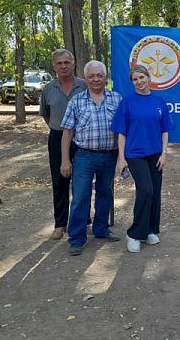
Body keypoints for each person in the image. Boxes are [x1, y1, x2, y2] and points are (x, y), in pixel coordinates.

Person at [60, 60, 122, 256]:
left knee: (105, 194)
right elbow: (67, 133)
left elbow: (124, 132)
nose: (96, 79)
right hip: (84, 156)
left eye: (100, 75)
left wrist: (122, 157)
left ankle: (101, 229)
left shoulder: (117, 99)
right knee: (80, 197)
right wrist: (65, 160)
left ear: (106, 77)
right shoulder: (76, 101)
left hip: (110, 155)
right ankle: (77, 238)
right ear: (85, 78)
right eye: (92, 76)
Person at [111, 65, 173, 253]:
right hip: (135, 154)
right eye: (135, 79)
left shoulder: (159, 101)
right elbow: (121, 133)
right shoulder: (127, 102)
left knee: (155, 193)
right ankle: (134, 233)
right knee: (145, 190)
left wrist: (164, 153)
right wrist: (121, 159)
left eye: (142, 77)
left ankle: (150, 231)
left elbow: (165, 131)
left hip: (155, 154)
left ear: (149, 77)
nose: (139, 82)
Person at [39, 49, 87, 240]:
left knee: (83, 181)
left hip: (82, 138)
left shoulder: (84, 86)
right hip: (57, 137)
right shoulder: (48, 89)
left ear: (73, 63)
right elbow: (47, 116)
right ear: (54, 66)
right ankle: (60, 224)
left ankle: (85, 221)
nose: (63, 66)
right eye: (59, 63)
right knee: (60, 181)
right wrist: (59, 128)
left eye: (66, 62)